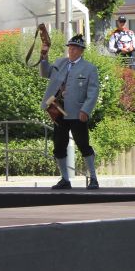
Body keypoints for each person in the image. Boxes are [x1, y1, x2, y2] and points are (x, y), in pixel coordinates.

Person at [40, 34, 101, 190]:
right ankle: (65, 179)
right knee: (59, 146)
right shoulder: (61, 62)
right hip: (58, 111)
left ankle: (93, 178)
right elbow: (45, 73)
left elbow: (93, 92)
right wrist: (44, 55)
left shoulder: (89, 68)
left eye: (75, 49)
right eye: (70, 48)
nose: (71, 51)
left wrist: (85, 110)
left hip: (77, 112)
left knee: (83, 145)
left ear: (81, 51)